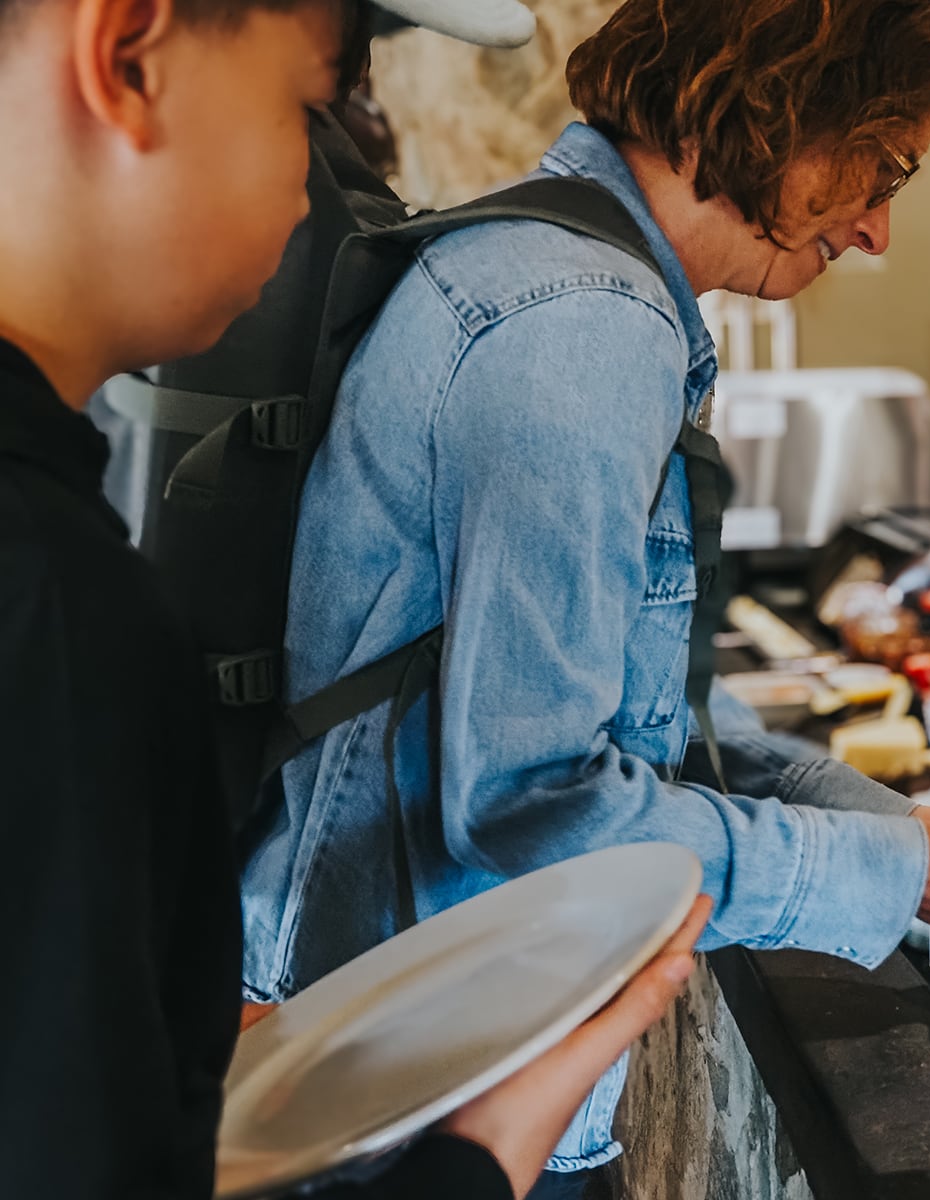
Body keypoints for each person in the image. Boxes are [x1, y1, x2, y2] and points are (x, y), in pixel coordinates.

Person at [240, 0, 930, 1193]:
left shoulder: (551, 266)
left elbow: (614, 696)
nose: (880, 230)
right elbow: (535, 812)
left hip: (412, 1043)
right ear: (784, 102)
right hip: (422, 1083)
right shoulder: (580, 327)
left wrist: (892, 831)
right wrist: (895, 878)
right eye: (886, 165)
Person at [0, 1, 708, 1196]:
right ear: (126, 51)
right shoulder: (52, 608)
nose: (319, 186)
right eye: (311, 106)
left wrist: (166, 1047)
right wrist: (485, 1150)